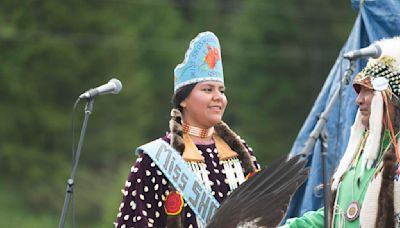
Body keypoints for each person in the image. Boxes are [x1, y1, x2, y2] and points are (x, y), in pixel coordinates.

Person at [115, 31, 260, 228]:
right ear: (183, 100)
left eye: (221, 90)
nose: (218, 97)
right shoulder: (156, 159)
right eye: (207, 90)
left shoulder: (241, 154)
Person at [282, 36, 400, 227]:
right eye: (358, 92)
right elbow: (334, 217)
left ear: (391, 98)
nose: (358, 100)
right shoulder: (359, 156)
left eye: (367, 91)